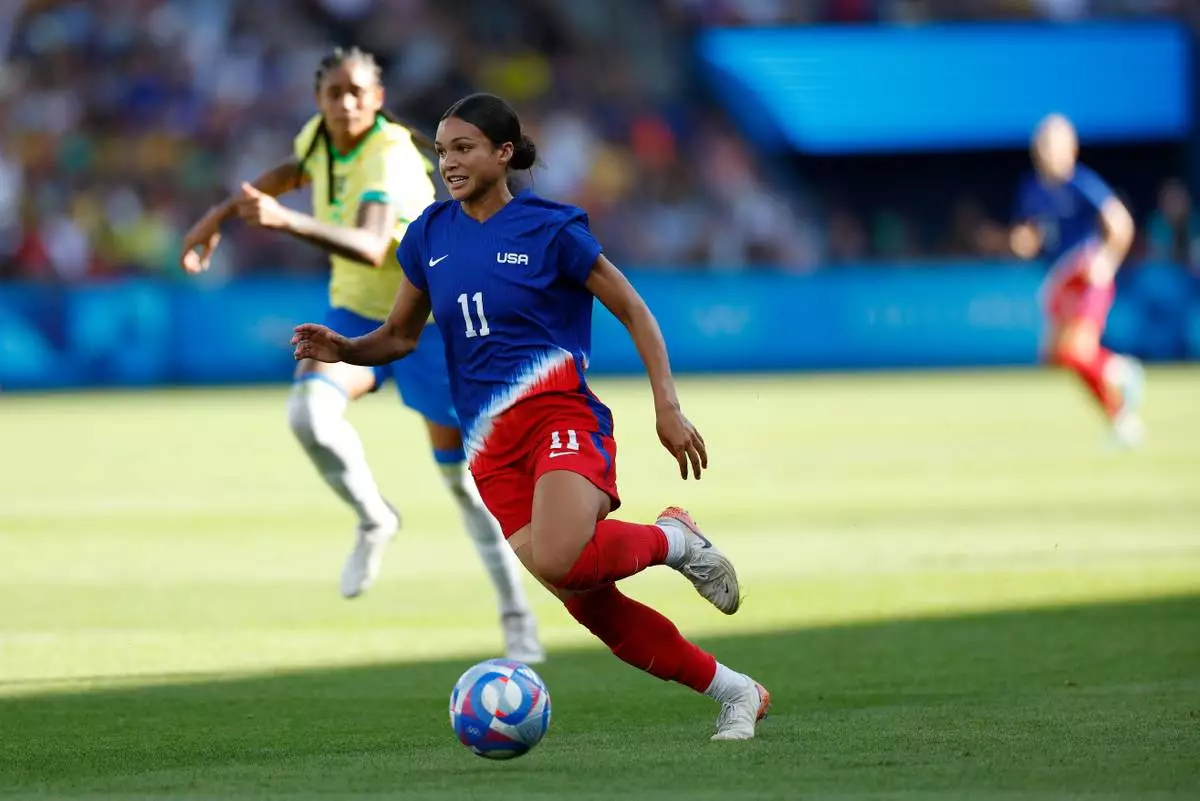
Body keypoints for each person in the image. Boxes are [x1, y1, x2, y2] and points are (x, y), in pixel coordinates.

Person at [291, 92, 771, 741]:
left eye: (463, 148)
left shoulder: (551, 228)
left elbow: (632, 308)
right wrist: (346, 349)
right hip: (490, 445)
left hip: (559, 416)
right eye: (441, 151)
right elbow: (401, 335)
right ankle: (736, 691)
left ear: (504, 152)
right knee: (591, 605)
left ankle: (674, 540)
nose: (449, 163)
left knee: (563, 555)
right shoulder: (429, 234)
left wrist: (668, 406)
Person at [179, 49, 543, 664]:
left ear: (376, 100)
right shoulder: (322, 140)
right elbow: (295, 170)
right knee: (308, 417)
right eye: (333, 93)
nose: (344, 104)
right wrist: (218, 216)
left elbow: (374, 245)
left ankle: (516, 617)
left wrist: (283, 224)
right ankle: (375, 516)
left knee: (466, 485)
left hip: (423, 319)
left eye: (355, 93)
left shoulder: (393, 155)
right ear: (319, 100)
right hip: (351, 318)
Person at [1009, 113, 1145, 446]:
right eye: (1042, 145)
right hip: (1059, 277)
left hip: (1085, 276)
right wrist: (1023, 241)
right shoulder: (1032, 189)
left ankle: (1120, 376)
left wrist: (1106, 261)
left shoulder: (1081, 184)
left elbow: (1120, 223)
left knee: (1076, 350)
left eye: (1053, 145)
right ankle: (1119, 407)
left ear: (1070, 148)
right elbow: (1030, 232)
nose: (1046, 152)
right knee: (1056, 356)